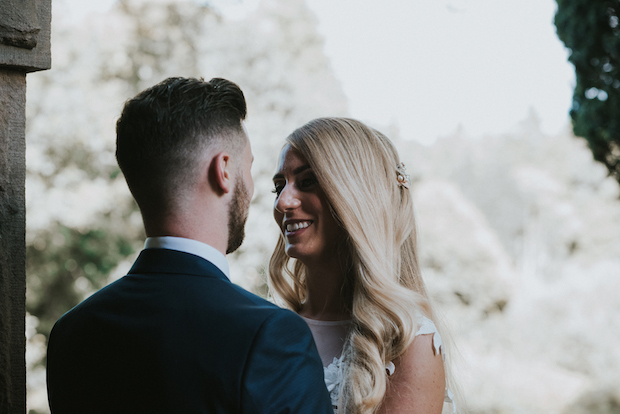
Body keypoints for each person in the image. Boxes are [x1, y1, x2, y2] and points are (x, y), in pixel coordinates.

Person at [46, 77, 333, 414]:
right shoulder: (268, 335)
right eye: (249, 168)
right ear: (223, 169)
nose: (256, 190)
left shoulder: (72, 333)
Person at [269, 117, 458, 414]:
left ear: (356, 196)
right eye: (278, 187)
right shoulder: (267, 327)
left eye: (307, 182)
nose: (282, 202)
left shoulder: (408, 343)